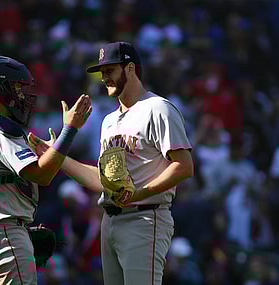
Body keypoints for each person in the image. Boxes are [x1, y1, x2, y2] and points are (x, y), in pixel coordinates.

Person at [28, 41, 194, 285]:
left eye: (110, 70)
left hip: (144, 218)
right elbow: (102, 180)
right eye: (102, 72)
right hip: (110, 220)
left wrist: (140, 193)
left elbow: (184, 166)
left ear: (130, 69)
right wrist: (57, 156)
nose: (104, 78)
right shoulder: (108, 121)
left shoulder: (158, 108)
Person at [0, 54, 91, 285]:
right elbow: (41, 175)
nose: (22, 95)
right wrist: (70, 130)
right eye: (16, 87)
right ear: (0, 89)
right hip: (3, 237)